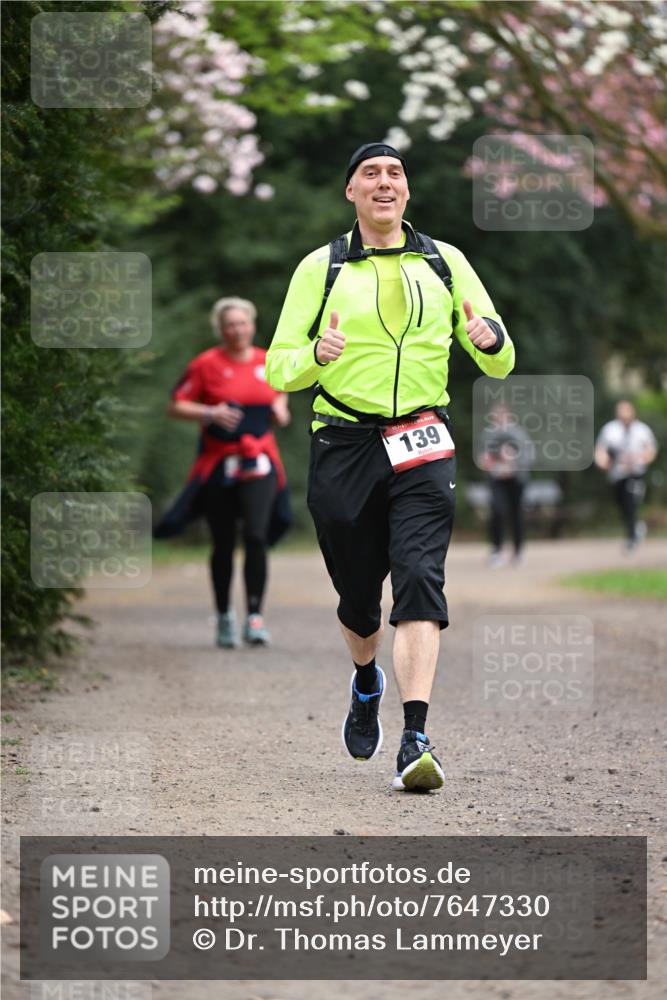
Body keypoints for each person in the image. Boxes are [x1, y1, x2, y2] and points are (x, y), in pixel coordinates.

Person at [266, 142, 515, 791]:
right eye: (370, 174)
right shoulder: (321, 268)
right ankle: (366, 679)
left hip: (423, 439)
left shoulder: (444, 261)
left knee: (418, 580)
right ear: (350, 192)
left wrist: (492, 340)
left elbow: (497, 356)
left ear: (406, 192)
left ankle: (415, 738)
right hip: (343, 441)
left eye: (394, 174)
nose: (384, 183)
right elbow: (278, 368)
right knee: (357, 600)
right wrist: (317, 354)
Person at [156, 297, 291, 647]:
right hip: (219, 462)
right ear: (220, 328)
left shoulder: (267, 360)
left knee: (257, 536)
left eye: (242, 323)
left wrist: (279, 410)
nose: (237, 329)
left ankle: (255, 615)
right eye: (230, 324)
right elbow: (175, 405)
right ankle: (224, 617)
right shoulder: (205, 364)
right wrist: (209, 413)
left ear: (252, 324)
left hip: (259, 458)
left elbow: (280, 396)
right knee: (223, 541)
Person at [594, 400, 658, 551]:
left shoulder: (642, 430)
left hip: (635, 474)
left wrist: (642, 459)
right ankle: (636, 526)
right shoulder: (610, 430)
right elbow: (600, 450)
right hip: (617, 475)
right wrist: (602, 462)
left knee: (631, 504)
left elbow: (651, 450)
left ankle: (631, 539)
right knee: (621, 505)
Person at [476, 403, 533, 567]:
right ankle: (496, 550)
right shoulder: (487, 434)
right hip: (496, 479)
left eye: (502, 415)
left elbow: (528, 454)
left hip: (516, 479)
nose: (499, 419)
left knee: (517, 515)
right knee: (497, 512)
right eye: (496, 416)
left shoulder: (518, 433)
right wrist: (487, 463)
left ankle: (518, 551)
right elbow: (482, 456)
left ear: (508, 416)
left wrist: (513, 466)